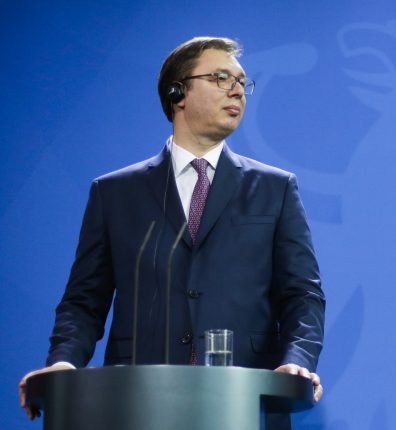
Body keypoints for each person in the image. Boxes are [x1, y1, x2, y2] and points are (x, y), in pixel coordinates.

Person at [19, 37, 325, 428]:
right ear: (177, 93)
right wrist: (63, 361)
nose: (236, 90)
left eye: (241, 82)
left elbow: (303, 294)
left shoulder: (275, 189)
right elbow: (83, 301)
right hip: (137, 403)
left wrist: (296, 361)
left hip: (244, 403)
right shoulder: (114, 193)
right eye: (220, 78)